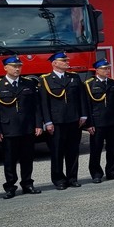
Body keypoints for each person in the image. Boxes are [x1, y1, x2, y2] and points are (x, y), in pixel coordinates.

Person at [0, 56, 44, 198]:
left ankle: (27, 184)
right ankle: (10, 187)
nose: (17, 69)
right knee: (10, 160)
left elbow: (36, 107)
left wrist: (38, 124)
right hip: (8, 129)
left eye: (19, 66)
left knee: (27, 158)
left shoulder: (28, 83)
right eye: (14, 66)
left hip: (27, 127)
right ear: (5, 68)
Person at [39, 51, 88, 189]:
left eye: (67, 60)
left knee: (73, 151)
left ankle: (72, 178)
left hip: (74, 119)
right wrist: (47, 121)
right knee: (57, 152)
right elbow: (44, 103)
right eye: (64, 61)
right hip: (56, 121)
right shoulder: (46, 80)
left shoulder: (74, 77)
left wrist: (83, 115)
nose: (67, 62)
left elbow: (82, 97)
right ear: (54, 63)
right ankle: (59, 179)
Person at [84, 58, 114, 182]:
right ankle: (96, 174)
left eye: (108, 68)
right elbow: (87, 106)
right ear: (97, 70)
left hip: (112, 121)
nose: (107, 71)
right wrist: (89, 124)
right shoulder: (89, 84)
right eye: (104, 69)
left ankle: (112, 171)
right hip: (97, 122)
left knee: (112, 149)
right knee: (96, 149)